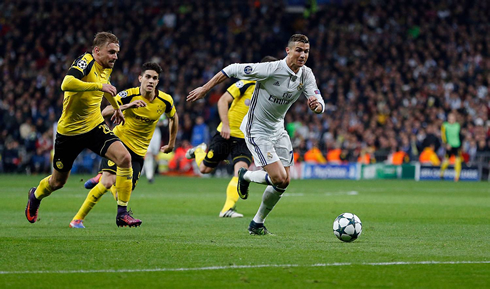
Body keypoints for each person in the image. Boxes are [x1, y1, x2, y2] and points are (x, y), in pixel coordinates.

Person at [187, 34, 325, 235]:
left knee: (285, 181)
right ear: (288, 51)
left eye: (306, 51)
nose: (303, 55)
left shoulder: (306, 75)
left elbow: (319, 101)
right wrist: (205, 89)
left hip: (278, 129)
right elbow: (232, 69)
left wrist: (317, 106)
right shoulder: (270, 69)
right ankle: (246, 175)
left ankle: (257, 222)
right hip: (256, 129)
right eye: (298, 50)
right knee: (278, 177)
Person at [25, 32, 140, 227]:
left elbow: (108, 88)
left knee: (125, 158)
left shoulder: (106, 67)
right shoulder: (85, 61)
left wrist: (118, 109)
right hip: (69, 133)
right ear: (97, 51)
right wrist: (99, 86)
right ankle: (35, 196)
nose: (115, 57)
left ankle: (122, 214)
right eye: (111, 52)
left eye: (117, 53)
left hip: (94, 126)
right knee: (57, 182)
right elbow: (66, 83)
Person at [72, 62, 178, 228]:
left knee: (124, 190)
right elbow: (104, 112)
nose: (151, 81)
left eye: (155, 78)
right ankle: (77, 220)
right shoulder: (129, 94)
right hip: (117, 143)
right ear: (140, 78)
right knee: (107, 182)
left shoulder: (165, 100)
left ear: (158, 81)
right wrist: (127, 106)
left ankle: (101, 177)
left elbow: (174, 118)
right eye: (148, 77)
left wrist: (171, 143)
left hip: (138, 152)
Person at [186, 56, 278, 219]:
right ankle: (199, 151)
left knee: (240, 172)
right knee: (204, 169)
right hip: (225, 134)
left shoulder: (271, 91)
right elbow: (222, 101)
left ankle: (227, 209)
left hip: (244, 139)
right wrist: (226, 125)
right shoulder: (246, 83)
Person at [440, 112, 462, 181]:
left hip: (457, 145)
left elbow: (459, 135)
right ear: (448, 119)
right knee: (446, 161)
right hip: (449, 145)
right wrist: (446, 143)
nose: (451, 120)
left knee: (458, 160)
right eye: (450, 119)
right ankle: (441, 174)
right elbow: (443, 135)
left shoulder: (457, 125)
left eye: (453, 119)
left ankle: (457, 177)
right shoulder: (445, 125)